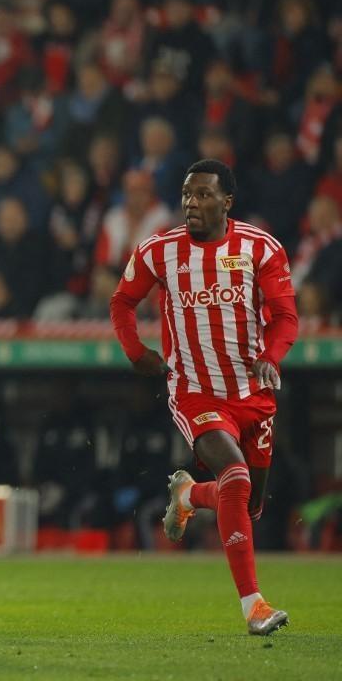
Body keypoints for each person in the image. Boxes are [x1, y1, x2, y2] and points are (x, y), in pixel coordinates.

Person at [109, 159, 298, 636]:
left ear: (227, 201)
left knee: (250, 503)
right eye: (187, 194)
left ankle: (189, 493)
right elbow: (122, 301)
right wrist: (136, 352)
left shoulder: (260, 248)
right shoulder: (159, 251)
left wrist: (272, 355)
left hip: (253, 392)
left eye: (204, 195)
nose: (192, 203)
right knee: (234, 476)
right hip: (195, 390)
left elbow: (285, 316)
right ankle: (253, 606)